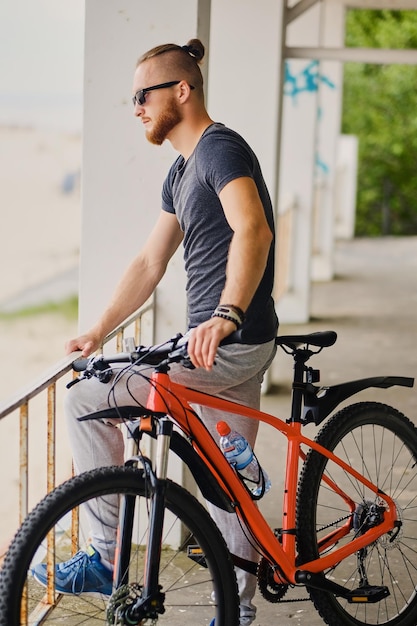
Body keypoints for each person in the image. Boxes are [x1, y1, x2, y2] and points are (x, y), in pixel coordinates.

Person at [33, 39, 278, 626]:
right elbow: (149, 263)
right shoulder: (182, 169)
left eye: (144, 94)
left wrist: (225, 314)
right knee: (229, 487)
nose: (136, 106)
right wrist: (96, 328)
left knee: (89, 395)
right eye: (133, 97)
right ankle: (237, 613)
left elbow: (255, 230)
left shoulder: (219, 150)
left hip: (228, 341)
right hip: (228, 344)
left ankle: (104, 557)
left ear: (182, 91)